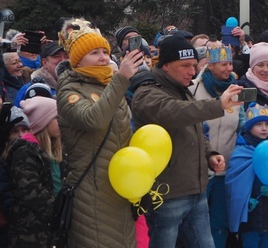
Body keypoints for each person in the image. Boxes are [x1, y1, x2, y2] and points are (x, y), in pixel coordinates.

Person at [131, 35, 243, 247]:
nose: (192, 71)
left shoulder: (182, 89)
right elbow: (175, 113)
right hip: (166, 194)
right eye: (185, 66)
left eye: (193, 65)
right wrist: (217, 104)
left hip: (195, 189)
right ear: (165, 66)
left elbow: (195, 130)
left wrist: (210, 153)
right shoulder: (147, 93)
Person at [56, 18, 143, 246]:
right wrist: (121, 79)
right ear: (77, 59)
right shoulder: (69, 89)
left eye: (105, 51)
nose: (103, 57)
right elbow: (93, 120)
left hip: (120, 189)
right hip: (92, 192)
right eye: (94, 52)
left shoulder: (110, 85)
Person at [188, 43, 240, 248]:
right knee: (195, 224)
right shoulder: (193, 89)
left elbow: (241, 125)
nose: (229, 68)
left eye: (230, 63)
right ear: (210, 65)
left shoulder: (236, 90)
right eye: (223, 64)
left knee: (220, 223)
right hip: (199, 170)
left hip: (226, 169)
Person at [225, 105, 268, 248]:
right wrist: (245, 201)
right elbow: (234, 184)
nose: (264, 128)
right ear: (249, 127)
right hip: (250, 218)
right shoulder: (241, 152)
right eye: (258, 124)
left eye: (267, 124)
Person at [6, 97, 62, 247]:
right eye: (56, 117)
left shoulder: (55, 150)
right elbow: (31, 192)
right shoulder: (25, 151)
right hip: (30, 233)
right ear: (44, 122)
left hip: (49, 230)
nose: (60, 121)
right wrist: (60, 211)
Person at [237, 42, 268, 138]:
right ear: (252, 66)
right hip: (251, 148)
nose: (266, 69)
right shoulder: (242, 89)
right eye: (260, 65)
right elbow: (239, 123)